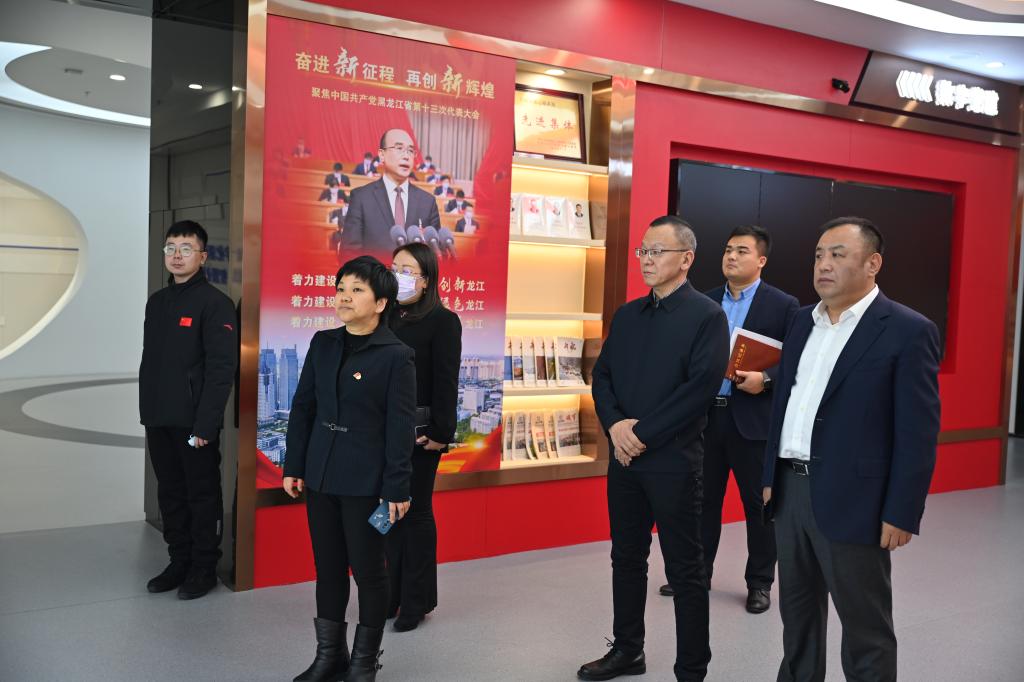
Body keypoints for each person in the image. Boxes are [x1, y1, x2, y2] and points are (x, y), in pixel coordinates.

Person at [762, 217, 940, 682]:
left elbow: (917, 433)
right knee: (797, 618)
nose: (823, 264)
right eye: (818, 255)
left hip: (857, 500)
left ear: (872, 263)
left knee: (865, 629)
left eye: (837, 255)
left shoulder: (907, 330)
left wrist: (902, 511)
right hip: (790, 491)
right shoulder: (801, 321)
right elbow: (784, 403)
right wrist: (769, 476)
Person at [583, 215, 729, 682]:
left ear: (686, 259)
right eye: (642, 251)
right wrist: (615, 427)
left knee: (685, 569)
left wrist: (639, 433)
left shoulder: (707, 316)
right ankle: (628, 650)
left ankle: (692, 669)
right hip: (625, 459)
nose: (645, 260)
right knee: (626, 557)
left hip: (673, 462)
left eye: (656, 251)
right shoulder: (629, 314)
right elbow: (602, 377)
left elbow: (699, 390)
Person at [284, 255, 416, 682]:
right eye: (341, 288)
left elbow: (400, 428)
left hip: (367, 482)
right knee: (327, 570)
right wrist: (294, 464)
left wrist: (396, 488)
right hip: (321, 473)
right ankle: (329, 657)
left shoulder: (396, 356)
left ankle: (363, 663)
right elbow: (303, 407)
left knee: (369, 572)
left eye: (357, 289)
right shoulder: (323, 342)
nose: (344, 296)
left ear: (380, 303)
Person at [659, 225, 798, 614]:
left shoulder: (783, 305)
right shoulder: (703, 301)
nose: (731, 257)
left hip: (753, 420)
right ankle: (697, 574)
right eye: (727, 250)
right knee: (701, 501)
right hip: (705, 419)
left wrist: (765, 379)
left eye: (741, 251)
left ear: (761, 260)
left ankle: (759, 583)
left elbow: (795, 360)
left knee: (759, 506)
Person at [139, 220, 237, 600]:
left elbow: (221, 370)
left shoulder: (215, 304)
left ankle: (203, 567)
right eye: (170, 248)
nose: (176, 255)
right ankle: (178, 560)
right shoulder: (157, 302)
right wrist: (148, 411)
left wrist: (206, 425)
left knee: (201, 494)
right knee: (170, 493)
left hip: (195, 423)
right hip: (158, 417)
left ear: (203, 256)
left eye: (186, 248)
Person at [385, 243, 462, 632]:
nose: (397, 275)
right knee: (386, 513)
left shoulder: (443, 321)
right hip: (382, 432)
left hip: (420, 434)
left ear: (426, 279)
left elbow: (447, 380)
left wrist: (441, 432)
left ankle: (416, 601)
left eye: (407, 270)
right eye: (394, 267)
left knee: (414, 513)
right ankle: (390, 594)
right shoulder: (385, 315)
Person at [342, 129, 441, 253]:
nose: (406, 156)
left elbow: (436, 254)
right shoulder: (361, 198)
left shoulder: (428, 202)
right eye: (399, 148)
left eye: (410, 151)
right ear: (382, 155)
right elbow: (349, 253)